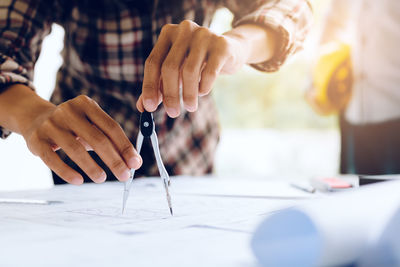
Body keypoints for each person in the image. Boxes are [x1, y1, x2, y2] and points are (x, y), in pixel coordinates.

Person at [0, 0, 312, 184]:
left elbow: (292, 10)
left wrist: (238, 45)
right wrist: (33, 115)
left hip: (190, 154)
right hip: (82, 159)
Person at [318, 0, 400, 175]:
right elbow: (334, 19)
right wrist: (315, 80)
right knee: (354, 193)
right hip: (353, 110)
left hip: (395, 109)